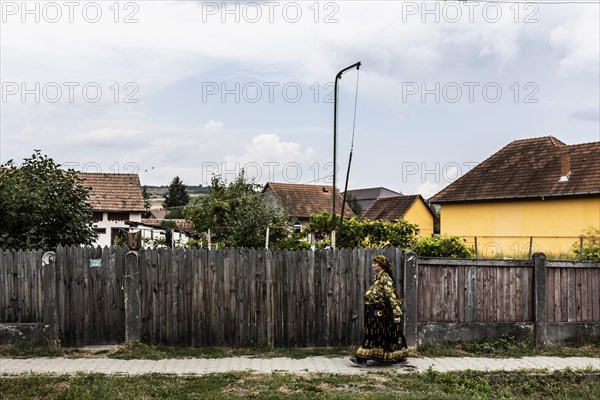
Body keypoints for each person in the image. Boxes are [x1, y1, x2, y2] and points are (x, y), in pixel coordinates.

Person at [350, 255, 407, 367]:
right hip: (373, 309)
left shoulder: (385, 278)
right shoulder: (378, 277)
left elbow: (390, 294)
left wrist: (396, 311)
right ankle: (395, 356)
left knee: (374, 333)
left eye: (375, 263)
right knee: (380, 333)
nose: (372, 265)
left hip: (380, 310)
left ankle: (362, 358)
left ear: (380, 265)